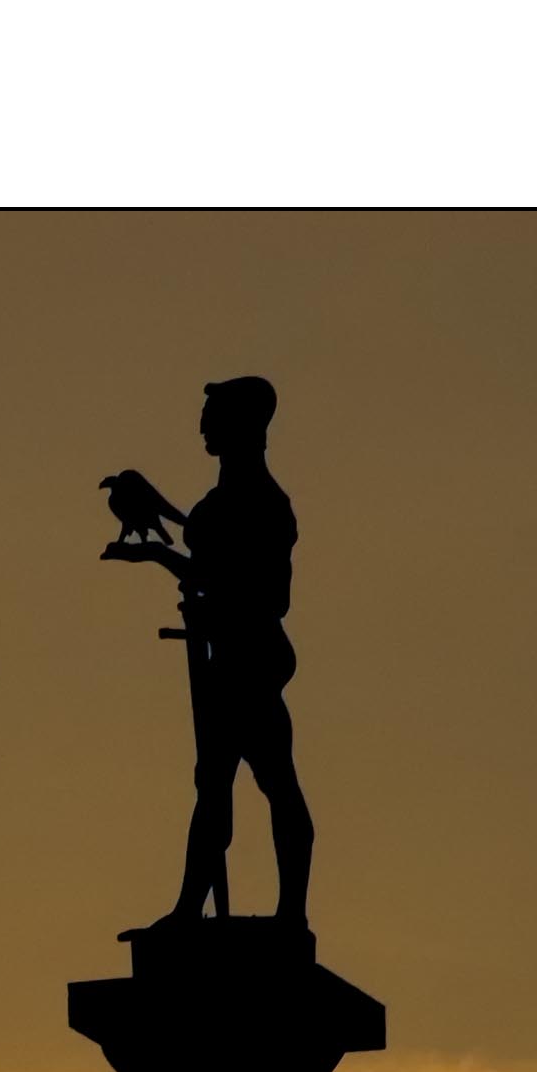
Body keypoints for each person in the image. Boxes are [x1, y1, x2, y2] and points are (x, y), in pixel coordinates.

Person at [102, 373, 313, 935]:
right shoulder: (215, 505)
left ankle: (290, 914)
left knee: (274, 783)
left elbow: (274, 597)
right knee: (213, 785)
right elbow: (202, 572)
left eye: (213, 415)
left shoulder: (266, 505)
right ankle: (188, 912)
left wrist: (216, 596)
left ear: (243, 427)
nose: (202, 424)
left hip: (253, 661)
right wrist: (159, 564)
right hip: (224, 660)